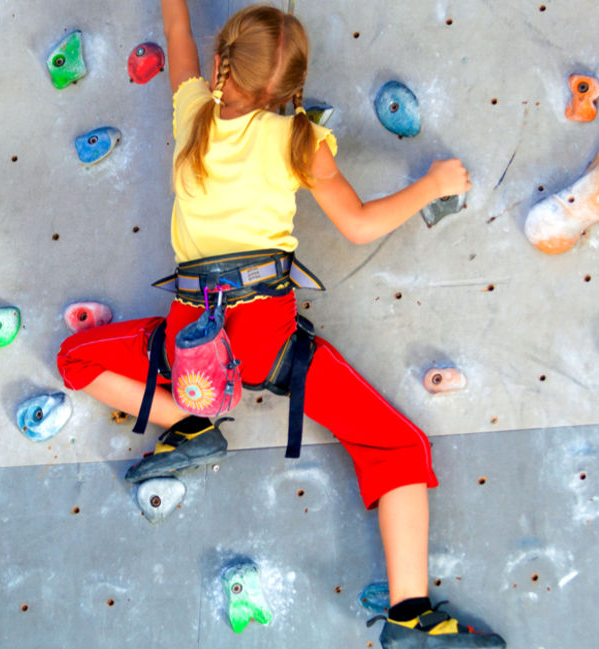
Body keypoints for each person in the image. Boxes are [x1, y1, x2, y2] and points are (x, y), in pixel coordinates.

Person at [57, 3, 504, 647]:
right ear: (293, 89)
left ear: (220, 67)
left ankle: (190, 418)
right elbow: (360, 226)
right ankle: (410, 618)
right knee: (397, 445)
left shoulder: (191, 116)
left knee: (78, 358)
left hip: (193, 346)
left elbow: (176, 29)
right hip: (272, 344)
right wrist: (432, 183)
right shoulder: (301, 142)